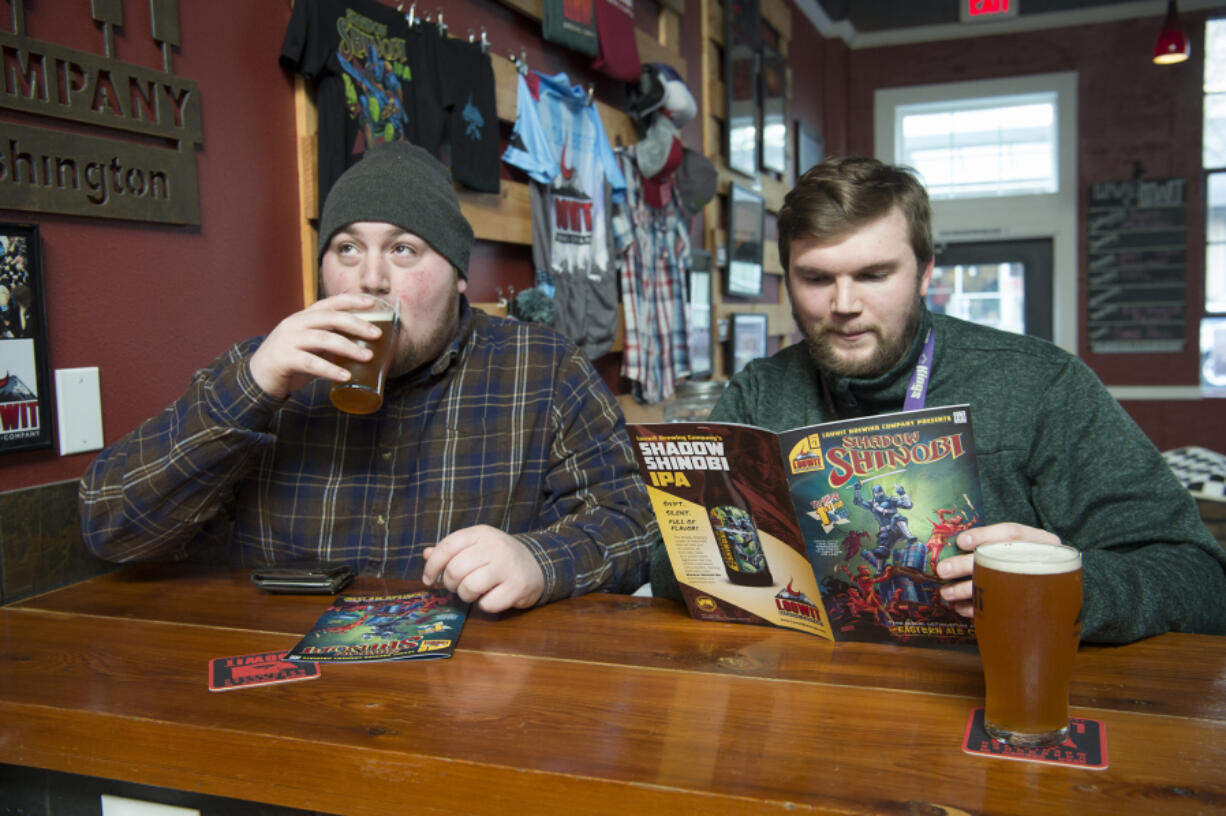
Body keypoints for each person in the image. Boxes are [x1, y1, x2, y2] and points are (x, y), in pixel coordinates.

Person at [651, 156, 1226, 643]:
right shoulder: (760, 391)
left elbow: (1200, 580)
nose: (843, 304)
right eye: (817, 278)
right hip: (813, 694)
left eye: (874, 274)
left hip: (988, 687)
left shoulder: (1042, 385)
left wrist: (1066, 585)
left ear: (926, 272)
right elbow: (667, 566)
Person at [80, 141, 657, 614]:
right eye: (348, 247)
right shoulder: (264, 373)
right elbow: (110, 527)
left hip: (471, 701)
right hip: (292, 700)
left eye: (403, 249)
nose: (370, 279)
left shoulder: (543, 370)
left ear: (458, 274)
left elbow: (634, 524)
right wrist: (250, 391)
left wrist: (540, 562)